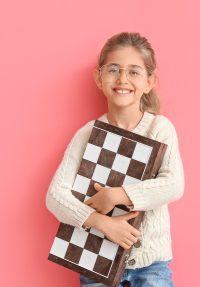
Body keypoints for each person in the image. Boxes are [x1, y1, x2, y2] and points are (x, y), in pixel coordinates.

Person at [46, 32, 184, 287]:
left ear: (150, 81)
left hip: (151, 265)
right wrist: (101, 223)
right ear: (99, 78)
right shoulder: (88, 133)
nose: (122, 79)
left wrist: (117, 195)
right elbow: (55, 197)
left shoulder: (159, 128)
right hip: (96, 262)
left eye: (134, 72)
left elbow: (173, 184)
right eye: (113, 70)